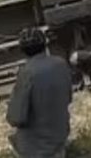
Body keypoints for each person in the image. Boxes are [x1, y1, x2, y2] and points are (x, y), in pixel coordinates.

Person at [6, 28, 74, 158]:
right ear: (45, 44)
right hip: (60, 136)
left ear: (22, 50)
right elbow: (68, 98)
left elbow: (16, 118)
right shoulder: (61, 64)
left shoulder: (27, 73)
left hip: (38, 147)